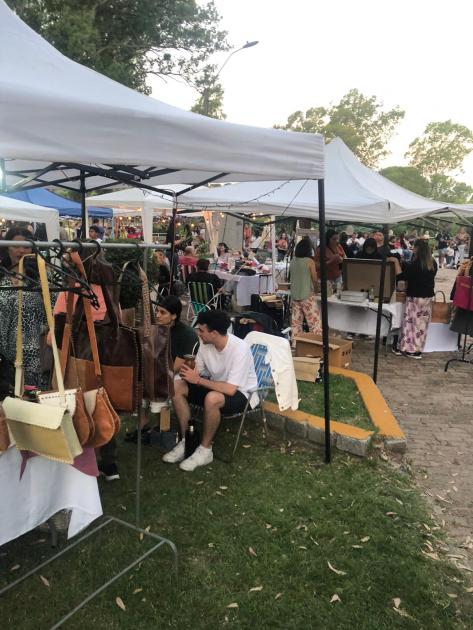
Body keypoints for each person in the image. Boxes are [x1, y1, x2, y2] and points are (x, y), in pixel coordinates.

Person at [163, 310, 257, 472]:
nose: (198, 333)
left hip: (243, 394)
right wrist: (188, 373)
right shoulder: (205, 344)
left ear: (213, 333)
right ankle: (187, 441)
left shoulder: (240, 349)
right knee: (177, 386)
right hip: (215, 385)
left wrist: (198, 380)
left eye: (201, 330)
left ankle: (205, 450)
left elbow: (230, 389)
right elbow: (197, 371)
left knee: (212, 398)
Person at [0, 226, 47, 391]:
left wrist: (41, 331)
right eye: (16, 246)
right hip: (2, 352)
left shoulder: (40, 276)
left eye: (26, 246)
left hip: (30, 351)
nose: (21, 250)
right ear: (7, 247)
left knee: (29, 399)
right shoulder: (2, 275)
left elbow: (53, 309)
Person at [393, 239, 437, 359]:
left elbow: (402, 277)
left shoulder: (415, 264)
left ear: (417, 248)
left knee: (411, 324)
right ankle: (418, 349)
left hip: (415, 296)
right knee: (422, 324)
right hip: (427, 297)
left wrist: (396, 263)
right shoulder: (432, 263)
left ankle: (409, 349)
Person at [155, 295, 198, 374]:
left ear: (174, 316)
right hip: (161, 369)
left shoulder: (187, 335)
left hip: (180, 374)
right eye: (157, 311)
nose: (157, 315)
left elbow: (176, 368)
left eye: (162, 312)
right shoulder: (158, 328)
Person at [289, 238, 321, 338]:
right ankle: (315, 344)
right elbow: (315, 279)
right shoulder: (309, 261)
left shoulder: (292, 261)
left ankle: (295, 344)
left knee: (296, 323)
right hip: (307, 296)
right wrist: (316, 290)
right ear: (308, 250)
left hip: (295, 296)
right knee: (314, 323)